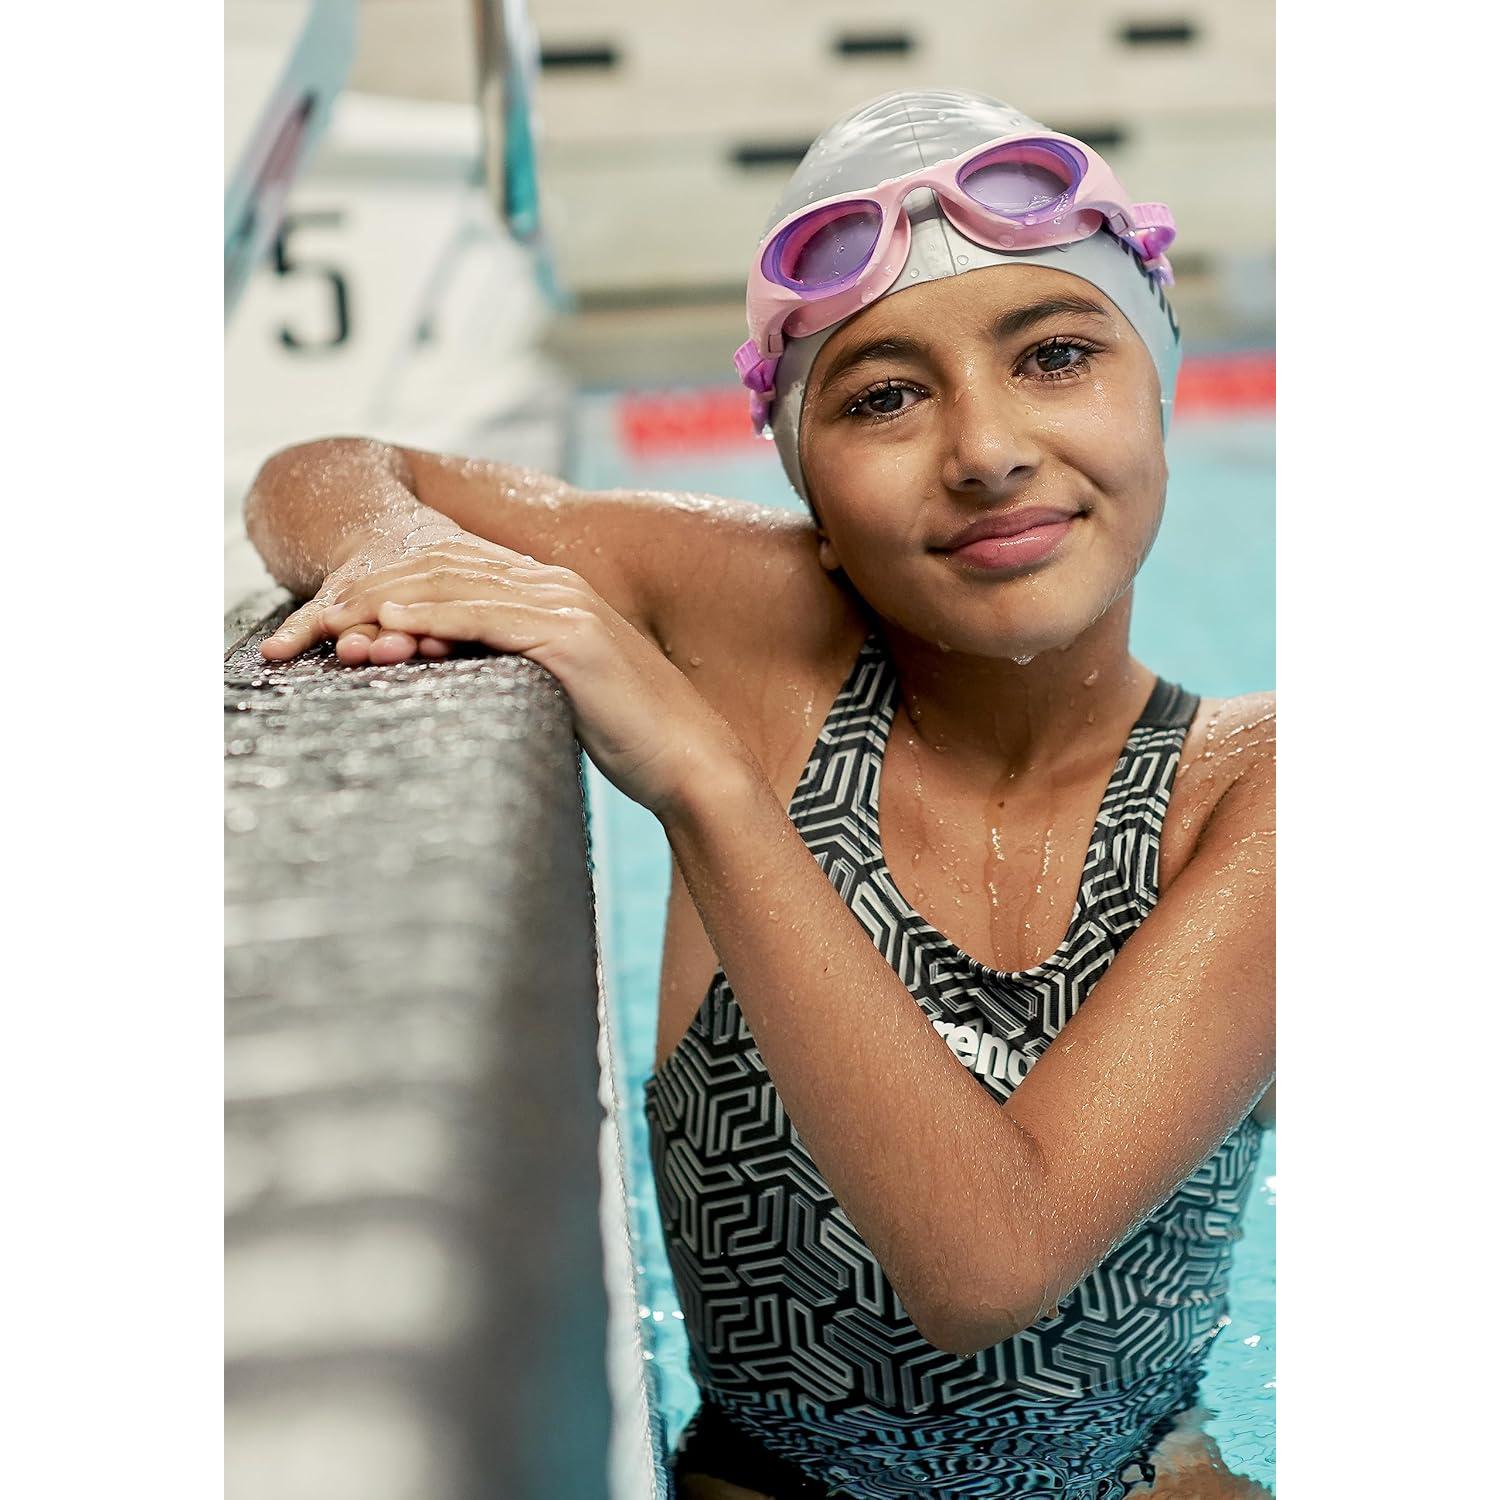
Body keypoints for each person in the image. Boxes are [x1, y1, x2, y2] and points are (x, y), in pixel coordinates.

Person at [247, 88, 1274, 1499]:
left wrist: (703, 781)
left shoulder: (1270, 789)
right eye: (885, 397)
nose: (984, 450)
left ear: (1156, 390)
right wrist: (383, 549)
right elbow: (328, 472)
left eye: (1055, 355)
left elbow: (991, 1264)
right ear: (810, 484)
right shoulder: (764, 626)